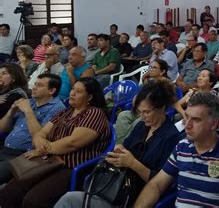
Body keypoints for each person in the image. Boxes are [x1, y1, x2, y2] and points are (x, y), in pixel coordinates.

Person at [55, 81, 180, 208]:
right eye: (139, 112)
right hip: (116, 187)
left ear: (162, 108)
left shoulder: (171, 137)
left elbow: (161, 182)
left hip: (133, 197)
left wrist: (132, 163)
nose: (142, 117)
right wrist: (119, 149)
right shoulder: (142, 126)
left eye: (146, 112)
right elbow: (125, 145)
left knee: (69, 200)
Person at [0, 77, 111, 208]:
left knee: (33, 200)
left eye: (79, 91)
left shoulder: (94, 113)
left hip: (71, 166)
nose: (72, 93)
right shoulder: (66, 111)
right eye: (72, 89)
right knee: (10, 192)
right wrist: (42, 145)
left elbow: (73, 142)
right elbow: (40, 133)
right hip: (48, 160)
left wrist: (43, 148)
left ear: (90, 97)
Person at [134, 92, 219, 207]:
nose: (187, 125)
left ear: (214, 124)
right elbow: (156, 185)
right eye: (187, 117)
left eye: (196, 120)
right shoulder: (182, 147)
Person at [0, 73, 65, 184]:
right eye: (35, 83)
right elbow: (2, 129)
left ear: (51, 91)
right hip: (5, 149)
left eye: (39, 85)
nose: (34, 87)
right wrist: (11, 112)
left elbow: (39, 141)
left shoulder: (58, 109)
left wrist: (28, 111)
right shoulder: (30, 102)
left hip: (23, 157)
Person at [115, 60, 171, 144]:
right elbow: (136, 100)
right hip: (140, 111)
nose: (151, 70)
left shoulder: (166, 86)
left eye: (154, 68)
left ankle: (129, 146)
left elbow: (164, 104)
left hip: (153, 114)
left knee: (137, 123)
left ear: (162, 71)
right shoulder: (147, 83)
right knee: (123, 115)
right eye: (150, 67)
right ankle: (120, 145)